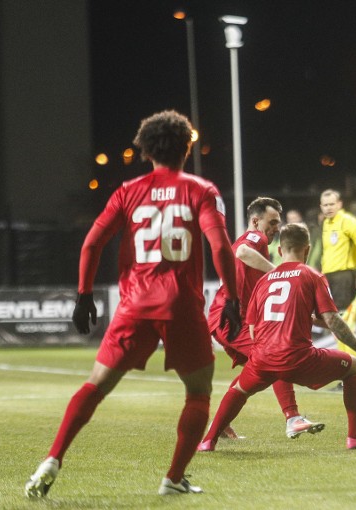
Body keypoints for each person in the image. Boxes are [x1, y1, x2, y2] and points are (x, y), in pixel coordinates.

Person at [24, 110, 242, 498]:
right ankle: (173, 478)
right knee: (198, 392)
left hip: (135, 305)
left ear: (144, 150)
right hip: (181, 305)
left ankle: (54, 457)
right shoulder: (200, 189)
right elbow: (220, 245)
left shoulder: (128, 191)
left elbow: (92, 243)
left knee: (96, 385)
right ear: (187, 147)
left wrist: (85, 294)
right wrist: (233, 295)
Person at [196, 223, 356, 451]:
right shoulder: (311, 275)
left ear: (279, 251)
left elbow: (254, 329)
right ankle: (355, 437)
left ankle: (208, 440)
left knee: (238, 390)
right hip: (299, 359)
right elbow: (333, 320)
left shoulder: (263, 281)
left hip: (262, 359)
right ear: (307, 249)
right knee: (354, 366)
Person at [207, 197, 322, 440]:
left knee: (258, 368)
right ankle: (292, 418)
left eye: (278, 223)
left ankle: (221, 424)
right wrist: (277, 272)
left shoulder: (257, 241)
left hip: (234, 317)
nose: (276, 228)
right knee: (274, 356)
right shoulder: (255, 238)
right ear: (256, 221)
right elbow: (242, 252)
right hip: (230, 317)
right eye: (272, 222)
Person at [319, 189, 356, 356]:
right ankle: (345, 363)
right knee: (334, 322)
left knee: (344, 322)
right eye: (325, 205)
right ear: (321, 207)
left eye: (332, 204)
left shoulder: (348, 221)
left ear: (340, 204)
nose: (328, 208)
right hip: (329, 277)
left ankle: (350, 364)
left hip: (344, 275)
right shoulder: (327, 223)